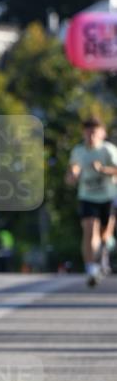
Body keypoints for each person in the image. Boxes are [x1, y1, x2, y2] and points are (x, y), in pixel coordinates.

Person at [65, 116, 117, 286]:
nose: (91, 137)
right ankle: (91, 268)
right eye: (88, 133)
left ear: (102, 134)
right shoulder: (79, 151)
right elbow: (73, 169)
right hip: (87, 197)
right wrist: (72, 175)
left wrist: (102, 169)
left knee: (105, 236)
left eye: (94, 133)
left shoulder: (108, 150)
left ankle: (104, 254)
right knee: (89, 230)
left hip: (108, 197)